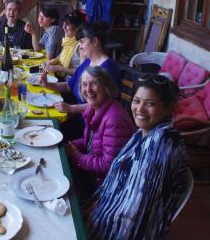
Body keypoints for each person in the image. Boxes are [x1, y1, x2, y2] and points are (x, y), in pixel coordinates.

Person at [88, 74, 187, 239]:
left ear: (167, 108)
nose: (140, 109)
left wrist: (95, 221)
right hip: (111, 211)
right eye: (136, 101)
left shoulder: (160, 146)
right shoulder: (144, 133)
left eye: (150, 104)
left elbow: (135, 213)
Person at [65, 67, 135, 199]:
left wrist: (75, 156)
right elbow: (92, 143)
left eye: (94, 83)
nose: (88, 89)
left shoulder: (114, 119)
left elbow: (108, 166)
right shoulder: (94, 108)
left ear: (106, 86)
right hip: (94, 175)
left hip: (105, 187)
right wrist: (69, 145)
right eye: (84, 84)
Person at [41, 21, 121, 115]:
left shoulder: (109, 67)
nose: (80, 46)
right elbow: (68, 86)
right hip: (77, 113)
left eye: (82, 42)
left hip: (91, 120)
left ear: (95, 41)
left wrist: (71, 108)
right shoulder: (87, 62)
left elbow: (103, 104)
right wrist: (47, 84)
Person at [43, 10, 85, 78]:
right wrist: (49, 63)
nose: (63, 27)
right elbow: (60, 56)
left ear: (77, 27)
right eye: (63, 24)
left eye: (67, 24)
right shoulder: (68, 40)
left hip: (70, 83)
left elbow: (82, 71)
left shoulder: (81, 45)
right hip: (60, 77)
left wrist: (59, 68)